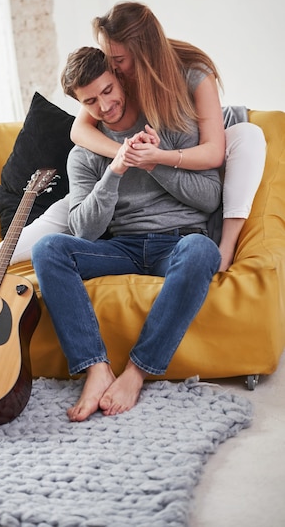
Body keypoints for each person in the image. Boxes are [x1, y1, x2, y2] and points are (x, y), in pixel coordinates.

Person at [31, 46, 222, 422]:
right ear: (80, 104)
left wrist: (155, 162)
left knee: (202, 250)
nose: (104, 105)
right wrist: (113, 172)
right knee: (49, 249)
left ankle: (136, 372)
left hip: (179, 241)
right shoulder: (84, 154)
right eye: (91, 100)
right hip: (122, 247)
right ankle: (96, 368)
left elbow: (210, 198)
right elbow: (84, 231)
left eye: (107, 91)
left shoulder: (168, 123)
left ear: (120, 78)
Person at [71, 1, 266, 271]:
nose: (112, 68)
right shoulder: (118, 76)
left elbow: (212, 151)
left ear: (142, 53)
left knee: (249, 136)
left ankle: (227, 246)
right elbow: (79, 130)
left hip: (203, 135)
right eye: (109, 58)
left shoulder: (192, 72)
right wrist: (126, 154)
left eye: (118, 60)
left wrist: (157, 158)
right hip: (146, 148)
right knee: (74, 204)